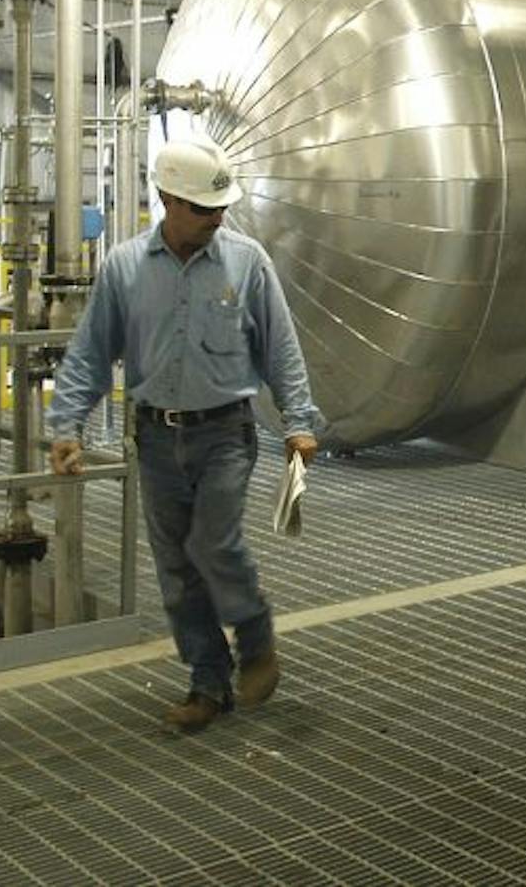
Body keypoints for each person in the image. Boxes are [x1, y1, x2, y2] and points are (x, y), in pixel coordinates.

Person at [47, 134, 324, 733]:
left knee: (214, 544)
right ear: (167, 199)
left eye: (221, 208)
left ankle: (256, 643)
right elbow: (91, 354)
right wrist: (65, 426)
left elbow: (280, 346)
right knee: (176, 569)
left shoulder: (247, 262)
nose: (214, 219)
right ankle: (208, 682)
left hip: (225, 433)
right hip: (155, 440)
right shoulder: (124, 269)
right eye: (202, 208)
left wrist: (299, 421)